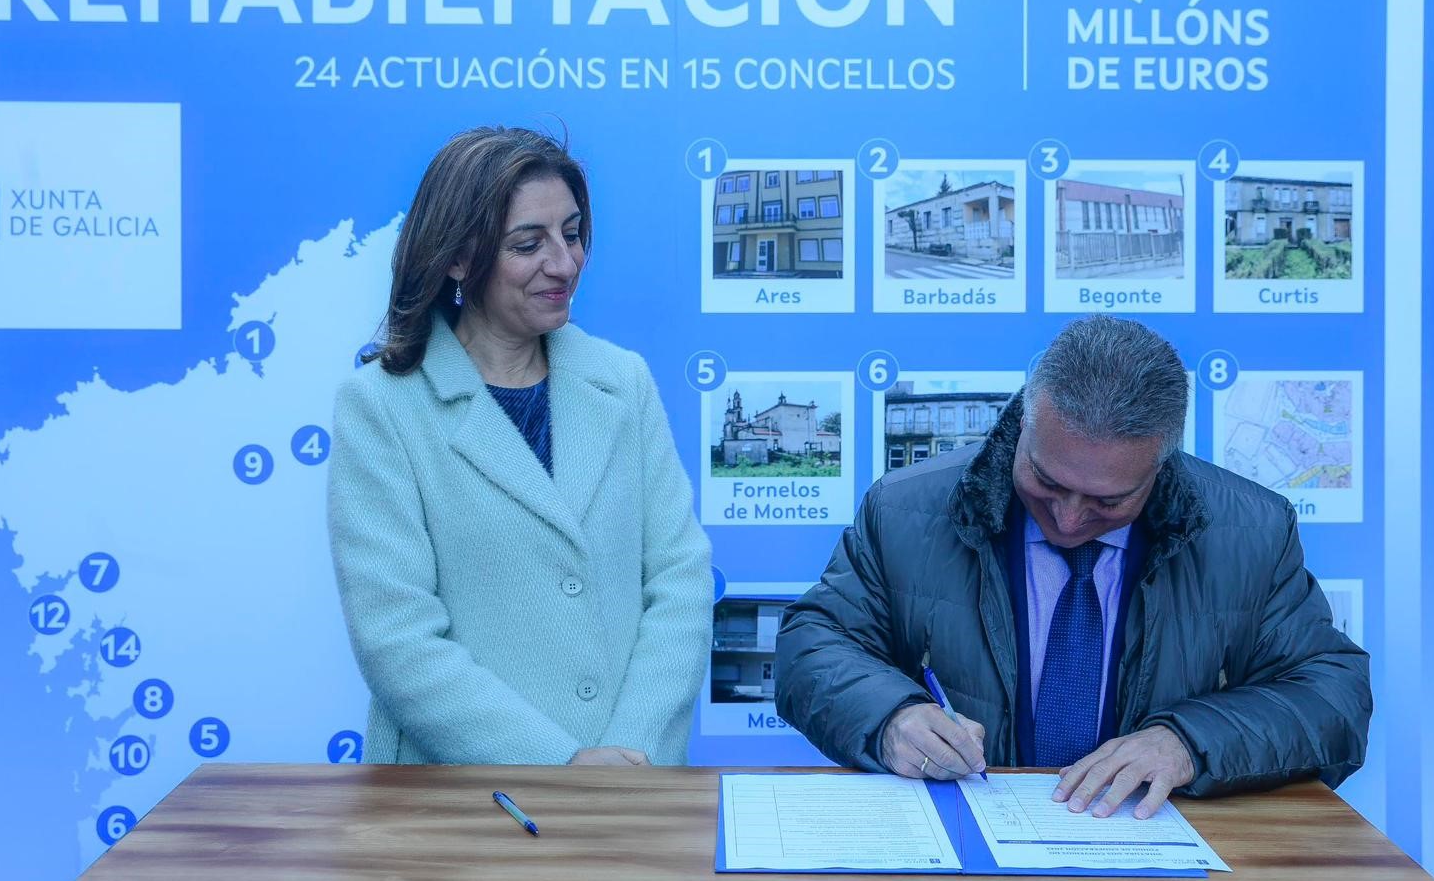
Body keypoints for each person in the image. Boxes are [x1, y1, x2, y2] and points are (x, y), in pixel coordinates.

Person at [775, 315, 1370, 819]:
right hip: (963, 847)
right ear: (1024, 424)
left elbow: (1333, 697)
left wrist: (1190, 742)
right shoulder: (906, 509)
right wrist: (890, 717)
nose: (1067, 518)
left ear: (1161, 464)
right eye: (1046, 480)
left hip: (1158, 852)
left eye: (1109, 501)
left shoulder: (1252, 531)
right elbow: (812, 646)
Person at [329, 126, 712, 766]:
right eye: (528, 244)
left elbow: (679, 580)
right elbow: (397, 638)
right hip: (463, 801)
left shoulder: (624, 382)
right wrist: (561, 765)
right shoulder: (382, 407)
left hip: (629, 789)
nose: (564, 263)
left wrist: (630, 755)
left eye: (573, 233)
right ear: (457, 258)